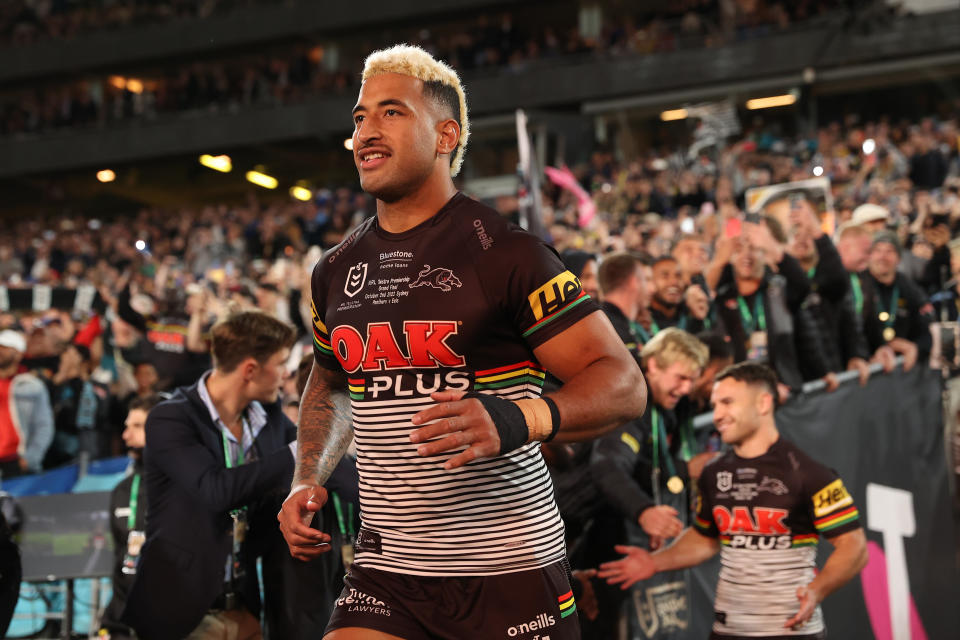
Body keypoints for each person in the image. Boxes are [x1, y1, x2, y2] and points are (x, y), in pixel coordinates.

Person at [277, 44, 646, 640]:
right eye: (359, 117)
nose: (367, 131)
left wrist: (518, 418)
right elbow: (330, 383)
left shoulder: (508, 253)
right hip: (386, 572)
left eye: (391, 113)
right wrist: (307, 477)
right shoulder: (333, 269)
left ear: (446, 134)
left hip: (510, 570)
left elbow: (624, 385)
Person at [599, 362, 868, 640]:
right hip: (727, 630)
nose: (717, 415)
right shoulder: (714, 473)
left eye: (727, 402)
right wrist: (655, 562)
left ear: (763, 403)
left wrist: (817, 589)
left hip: (791, 632)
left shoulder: (808, 473)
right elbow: (705, 538)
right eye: (715, 405)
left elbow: (854, 547)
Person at [122, 311, 299, 640]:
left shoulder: (268, 416)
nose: (285, 373)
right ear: (250, 370)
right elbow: (216, 490)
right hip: (181, 614)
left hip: (244, 608)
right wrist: (298, 452)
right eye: (281, 362)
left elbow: (320, 463)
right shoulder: (170, 418)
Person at [583, 327, 708, 638]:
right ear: (653, 365)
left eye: (692, 380)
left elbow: (643, 465)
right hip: (579, 535)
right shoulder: (628, 402)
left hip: (608, 529)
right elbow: (607, 466)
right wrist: (644, 512)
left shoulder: (660, 408)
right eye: (681, 378)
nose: (686, 388)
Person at [99, 393, 164, 640]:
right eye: (127, 427)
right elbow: (120, 559)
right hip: (124, 622)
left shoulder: (184, 485)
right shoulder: (122, 490)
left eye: (137, 426)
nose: (126, 436)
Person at [864, 231, 931, 368]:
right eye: (877, 250)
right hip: (868, 367)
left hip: (902, 373)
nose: (883, 257)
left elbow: (926, 332)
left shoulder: (908, 287)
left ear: (899, 258)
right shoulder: (858, 285)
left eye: (889, 251)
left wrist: (915, 348)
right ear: (869, 256)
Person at [0, 329, 53, 477]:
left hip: (15, 462)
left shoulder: (31, 386)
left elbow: (44, 425)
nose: (0, 351)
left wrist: (30, 459)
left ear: (18, 354)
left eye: (5, 348)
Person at [597, 251, 651, 358]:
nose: (651, 288)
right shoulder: (617, 332)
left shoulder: (601, 320)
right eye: (646, 280)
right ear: (634, 282)